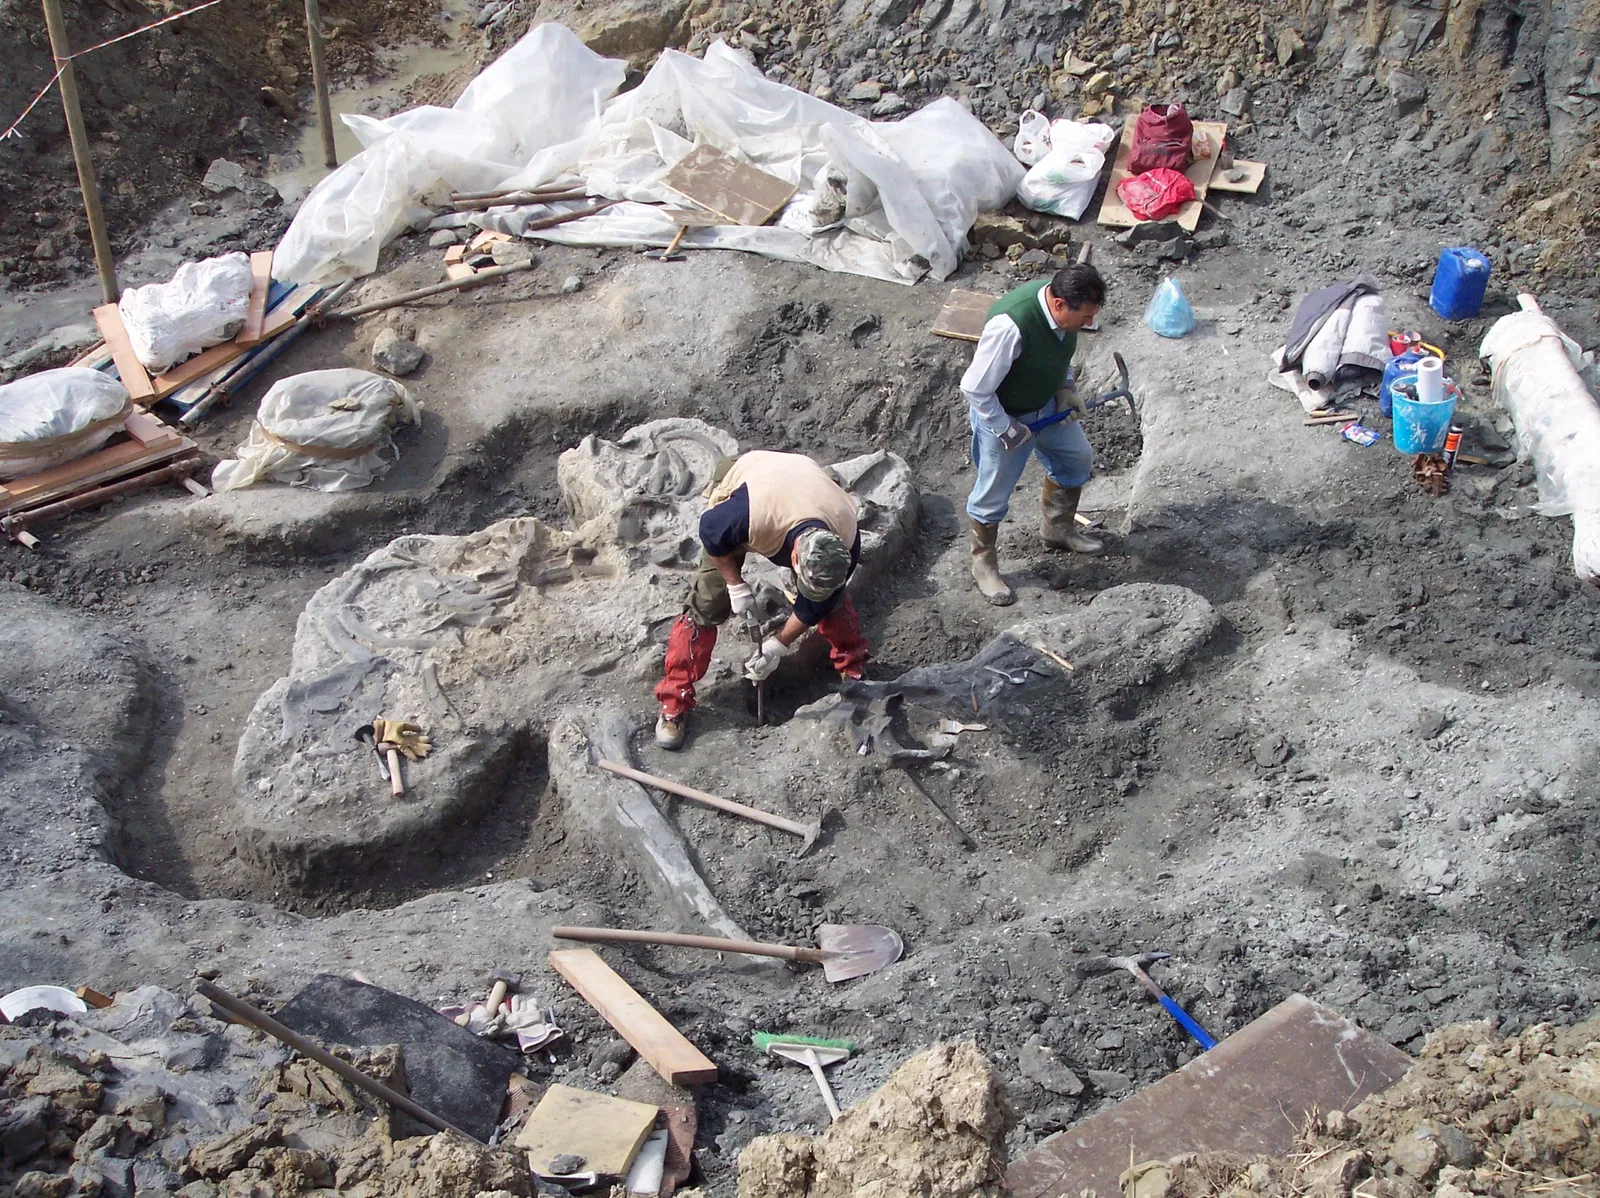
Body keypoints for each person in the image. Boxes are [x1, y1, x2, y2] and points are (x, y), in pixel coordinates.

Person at [654, 449, 867, 749]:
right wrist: (735, 585)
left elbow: (819, 602)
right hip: (751, 479)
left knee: (832, 601)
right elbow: (710, 531)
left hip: (806, 483)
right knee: (709, 601)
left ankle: (853, 668)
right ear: (793, 556)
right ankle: (673, 701)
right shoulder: (745, 516)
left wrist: (776, 646)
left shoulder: (846, 538)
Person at [961, 263, 1108, 606]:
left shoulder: (1065, 305)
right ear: (1059, 305)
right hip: (1005, 416)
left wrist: (1066, 386)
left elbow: (1059, 353)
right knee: (991, 496)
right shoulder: (1011, 327)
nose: (1089, 324)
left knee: (1077, 459)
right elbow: (975, 388)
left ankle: (1057, 528)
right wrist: (1005, 427)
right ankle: (983, 564)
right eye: (1084, 318)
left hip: (1046, 407)